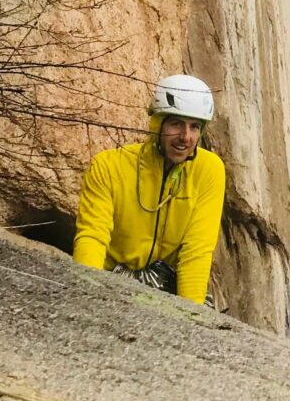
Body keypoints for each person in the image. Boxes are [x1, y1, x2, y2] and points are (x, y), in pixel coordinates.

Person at [73, 73, 226, 307]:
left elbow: (197, 252)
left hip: (165, 279)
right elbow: (92, 236)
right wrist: (86, 295)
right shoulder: (109, 166)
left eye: (194, 127)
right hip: (113, 275)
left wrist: (191, 317)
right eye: (176, 123)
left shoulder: (209, 170)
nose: (185, 137)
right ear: (157, 123)